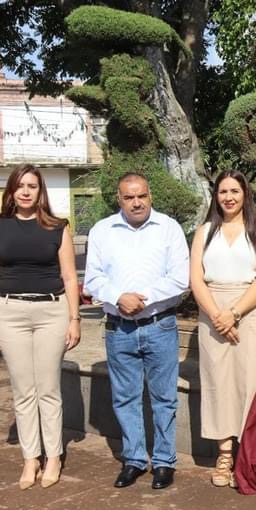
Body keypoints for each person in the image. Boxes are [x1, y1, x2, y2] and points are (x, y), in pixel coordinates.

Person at [84, 172, 189, 490]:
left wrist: (141, 299)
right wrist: (119, 298)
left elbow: (180, 277)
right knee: (125, 398)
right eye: (129, 197)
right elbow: (92, 279)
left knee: (163, 398)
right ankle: (133, 460)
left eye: (141, 195)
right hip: (119, 329)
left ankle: (163, 462)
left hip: (160, 324)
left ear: (150, 195)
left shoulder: (168, 228)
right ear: (119, 199)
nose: (136, 202)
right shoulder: (102, 231)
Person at [0, 164, 80, 490]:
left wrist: (75, 319)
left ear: (41, 192)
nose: (26, 191)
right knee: (23, 390)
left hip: (52, 311)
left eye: (32, 186)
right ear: (11, 191)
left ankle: (53, 456)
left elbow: (69, 277)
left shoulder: (58, 228)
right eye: (20, 186)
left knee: (48, 389)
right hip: (10, 313)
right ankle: (30, 458)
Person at [190, 170, 256, 487]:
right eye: (223, 191)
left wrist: (235, 312)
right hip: (212, 310)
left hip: (250, 311)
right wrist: (217, 314)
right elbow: (196, 278)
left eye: (234, 191)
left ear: (245, 195)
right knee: (217, 383)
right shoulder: (204, 232)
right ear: (216, 195)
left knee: (251, 383)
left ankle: (249, 456)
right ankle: (224, 454)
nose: (228, 197)